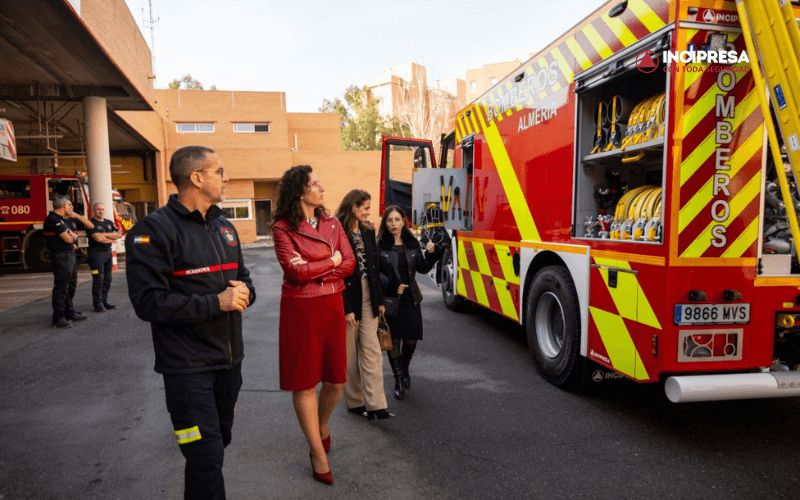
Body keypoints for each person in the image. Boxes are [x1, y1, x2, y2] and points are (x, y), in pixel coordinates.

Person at [126, 145, 255, 500]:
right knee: (205, 457)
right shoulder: (151, 231)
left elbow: (243, 278)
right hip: (187, 371)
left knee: (217, 444)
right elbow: (148, 302)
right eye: (219, 171)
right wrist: (217, 302)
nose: (226, 178)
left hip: (229, 365)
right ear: (196, 178)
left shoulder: (224, 226)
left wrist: (245, 291)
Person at [272, 165, 355, 486]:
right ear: (300, 192)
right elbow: (296, 273)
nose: (321, 187)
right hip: (300, 309)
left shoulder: (333, 223)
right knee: (305, 383)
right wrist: (331, 262)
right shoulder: (282, 228)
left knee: (335, 381)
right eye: (314, 183)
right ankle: (316, 452)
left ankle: (321, 424)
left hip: (332, 305)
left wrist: (320, 268)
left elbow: (349, 263)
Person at [335, 190, 393, 420]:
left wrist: (379, 301)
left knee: (372, 351)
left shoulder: (368, 230)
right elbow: (336, 272)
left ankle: (377, 404)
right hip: (348, 296)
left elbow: (374, 268)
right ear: (353, 207)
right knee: (350, 355)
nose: (369, 212)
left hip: (369, 294)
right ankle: (355, 401)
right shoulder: (337, 230)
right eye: (365, 208)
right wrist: (346, 306)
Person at [377, 205, 440, 400]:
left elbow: (421, 268)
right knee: (394, 340)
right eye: (389, 220)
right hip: (391, 300)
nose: (394, 224)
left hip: (411, 298)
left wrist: (431, 253)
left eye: (397, 220)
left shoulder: (412, 243)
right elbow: (376, 275)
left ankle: (404, 368)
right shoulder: (380, 246)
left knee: (411, 339)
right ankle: (398, 379)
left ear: (404, 221)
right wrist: (391, 285)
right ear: (385, 223)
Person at [43, 195, 94, 328]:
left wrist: (76, 219)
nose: (72, 207)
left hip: (69, 255)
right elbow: (68, 239)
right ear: (64, 206)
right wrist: (72, 238)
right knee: (62, 287)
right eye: (70, 204)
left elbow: (87, 227)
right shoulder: (53, 219)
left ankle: (69, 311)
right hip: (61, 256)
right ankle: (58, 318)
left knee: (71, 285)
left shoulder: (66, 220)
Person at [85, 202, 122, 312]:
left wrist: (104, 235)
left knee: (107, 279)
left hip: (107, 253)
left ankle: (105, 301)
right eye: (98, 209)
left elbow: (119, 234)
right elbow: (98, 238)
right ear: (93, 211)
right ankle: (98, 303)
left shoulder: (109, 223)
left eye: (102, 209)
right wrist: (110, 236)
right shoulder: (91, 223)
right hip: (96, 254)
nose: (100, 211)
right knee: (98, 279)